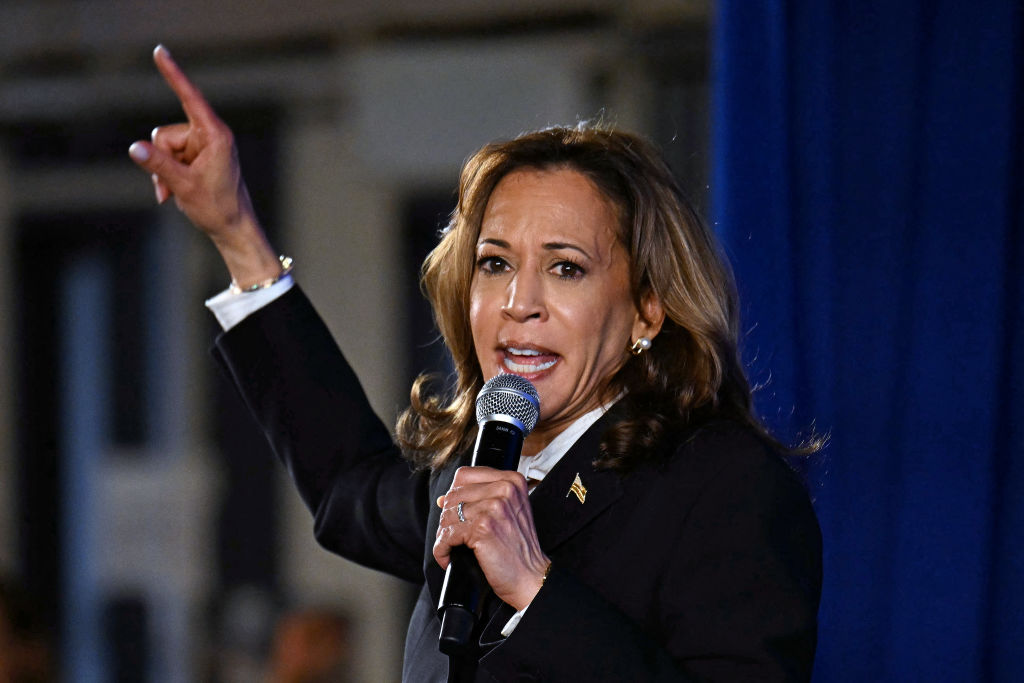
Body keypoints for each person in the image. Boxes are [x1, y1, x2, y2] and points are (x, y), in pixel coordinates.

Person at [129, 45, 822, 682]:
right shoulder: (470, 474)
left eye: (566, 267)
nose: (520, 301)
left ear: (647, 307)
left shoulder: (723, 487)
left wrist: (536, 590)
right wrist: (236, 234)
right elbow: (347, 482)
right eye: (495, 263)